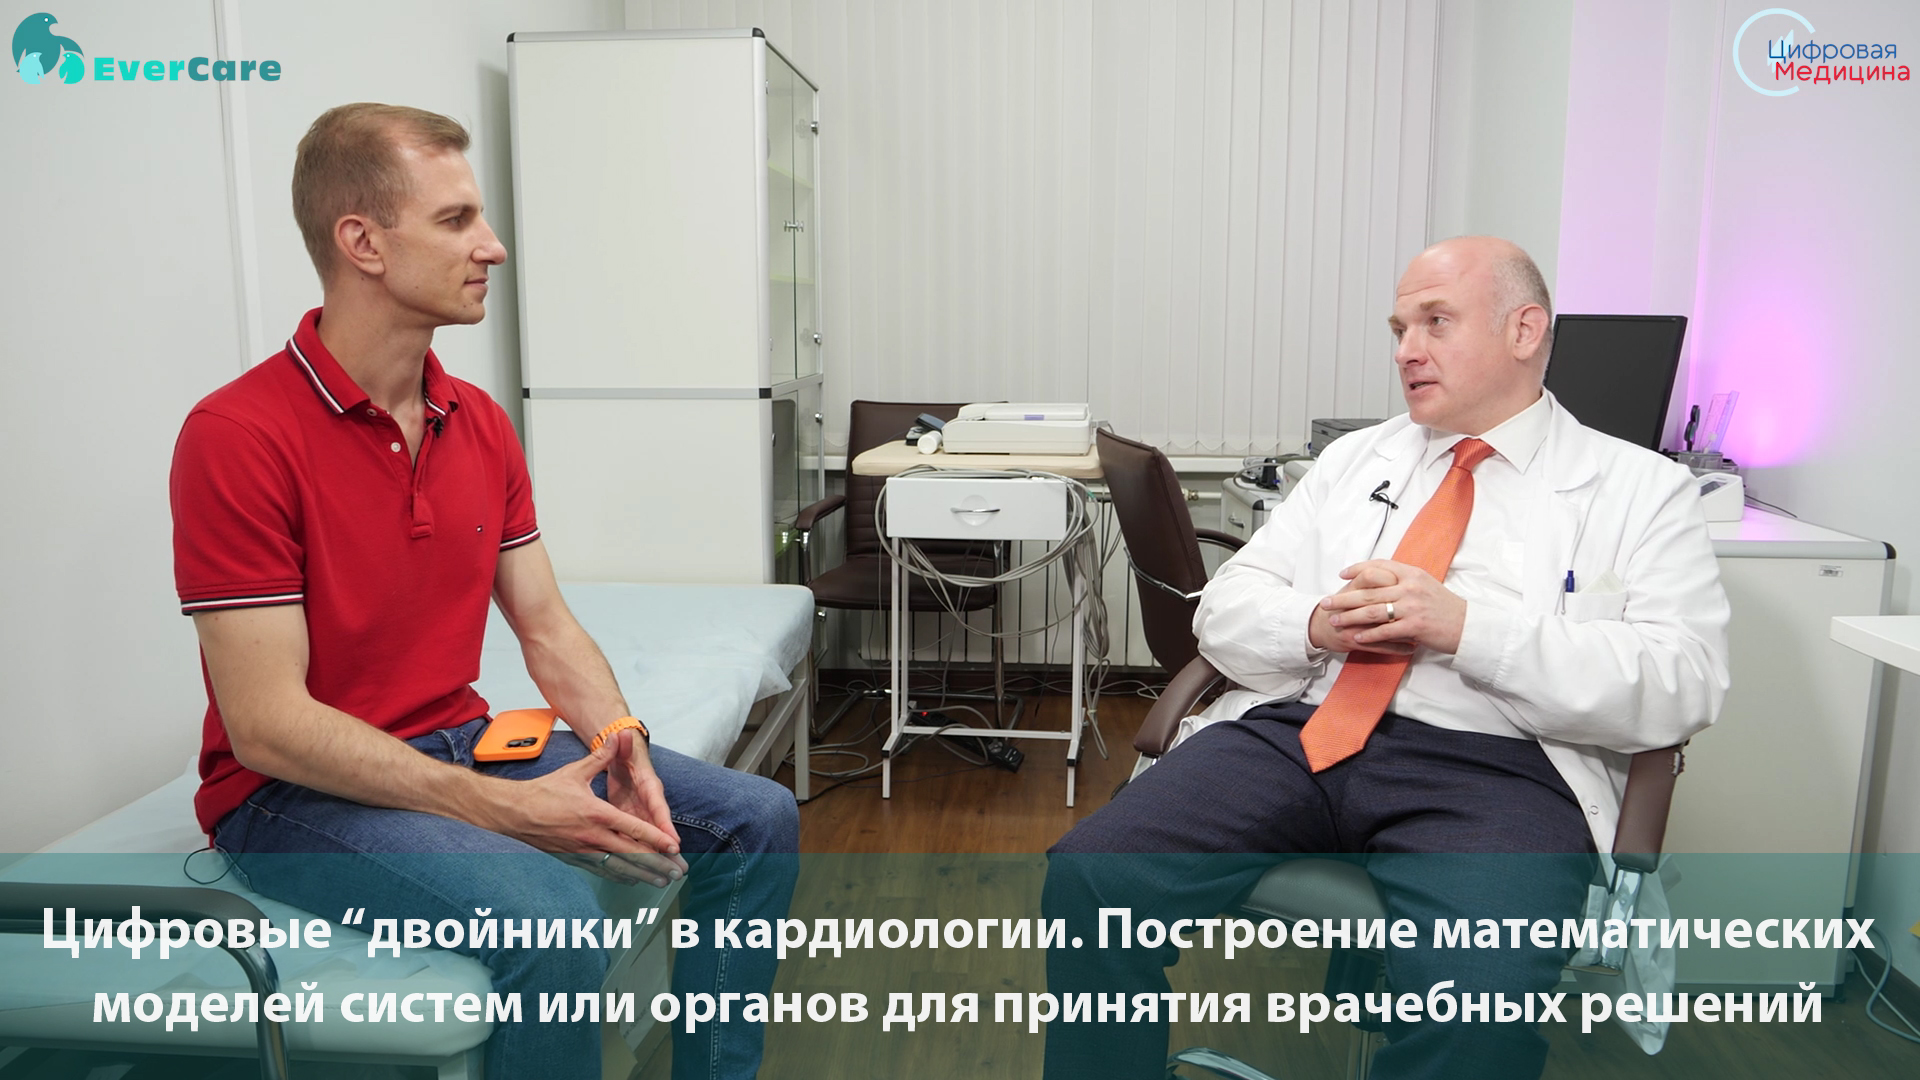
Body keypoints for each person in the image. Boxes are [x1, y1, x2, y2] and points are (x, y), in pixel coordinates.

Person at [169, 103, 798, 1079]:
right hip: (292, 799)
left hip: (460, 739)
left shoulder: (478, 422)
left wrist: (620, 741)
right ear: (363, 243)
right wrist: (503, 812)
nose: (493, 246)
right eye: (458, 220)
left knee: (758, 821)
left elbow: (545, 625)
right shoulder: (238, 437)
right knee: (553, 922)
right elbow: (268, 729)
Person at [1042, 236, 1730, 1079]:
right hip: (1304, 731)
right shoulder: (1354, 460)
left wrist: (1464, 628)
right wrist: (1316, 624)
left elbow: (1683, 682)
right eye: (1400, 328)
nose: (1407, 349)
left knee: (1479, 1009)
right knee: (1093, 881)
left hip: (1502, 772)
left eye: (1436, 322)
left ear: (1524, 330)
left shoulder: (1642, 490)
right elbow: (1225, 608)